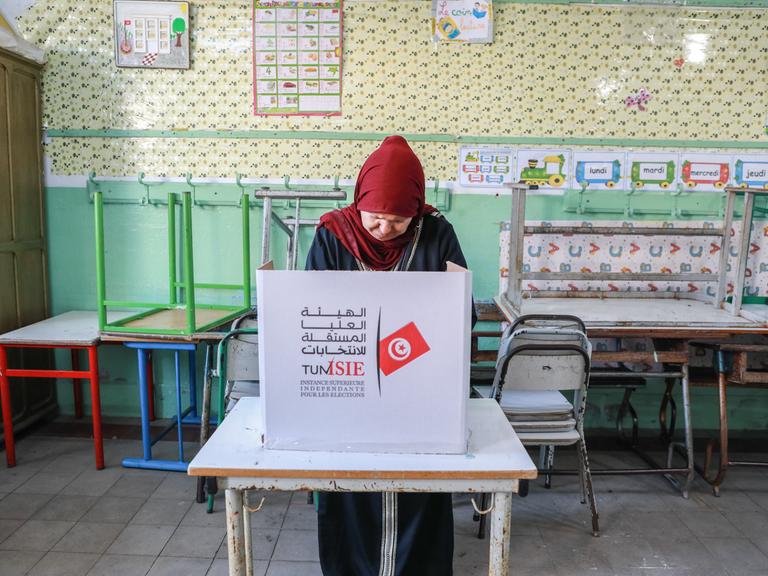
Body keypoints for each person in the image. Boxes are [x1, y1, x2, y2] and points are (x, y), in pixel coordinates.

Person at [305, 135, 475, 576]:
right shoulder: (333, 235)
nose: (384, 231)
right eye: (376, 219)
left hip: (418, 392)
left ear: (415, 211)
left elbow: (462, 312)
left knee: (419, 490)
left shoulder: (437, 233)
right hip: (347, 391)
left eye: (398, 222)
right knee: (350, 490)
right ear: (359, 200)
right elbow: (310, 314)